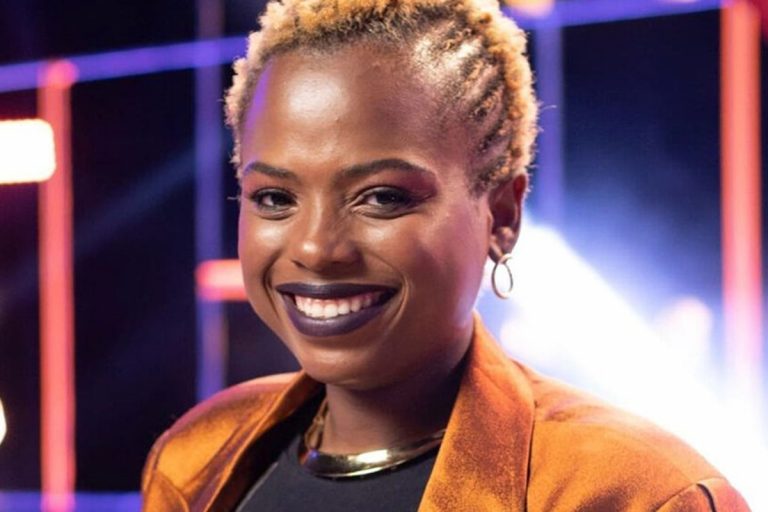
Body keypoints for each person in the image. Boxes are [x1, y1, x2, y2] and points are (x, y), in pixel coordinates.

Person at [141, 0, 751, 510]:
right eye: (275, 198)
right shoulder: (195, 462)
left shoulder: (636, 494)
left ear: (502, 217)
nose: (315, 248)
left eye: (383, 197)